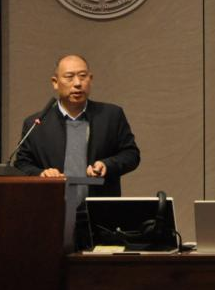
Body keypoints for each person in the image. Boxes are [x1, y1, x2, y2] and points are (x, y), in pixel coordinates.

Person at [14, 54, 140, 196]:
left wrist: (107, 165)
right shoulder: (36, 123)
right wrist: (42, 173)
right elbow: (21, 164)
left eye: (83, 76)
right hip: (53, 204)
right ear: (55, 82)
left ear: (90, 79)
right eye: (69, 77)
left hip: (99, 205)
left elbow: (131, 155)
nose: (78, 83)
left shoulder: (111, 115)